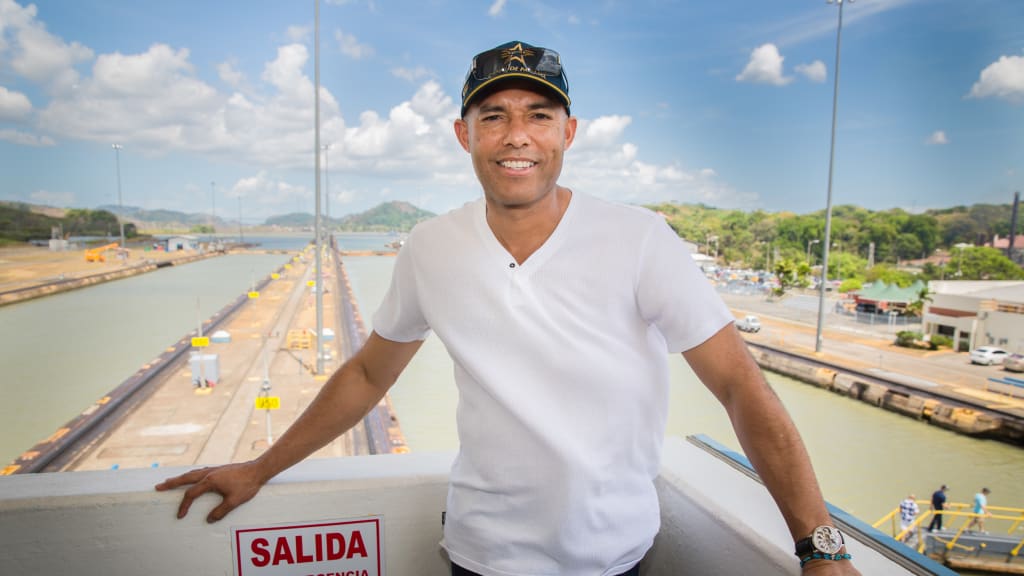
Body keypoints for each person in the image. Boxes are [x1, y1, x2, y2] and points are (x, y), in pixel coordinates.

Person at [156, 40, 860, 576]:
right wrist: (259, 468)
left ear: (568, 132)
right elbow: (370, 376)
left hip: (612, 557)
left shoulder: (640, 238)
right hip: (479, 554)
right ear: (465, 135)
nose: (516, 135)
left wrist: (818, 542)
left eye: (538, 115)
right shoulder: (432, 246)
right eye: (493, 116)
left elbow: (740, 386)